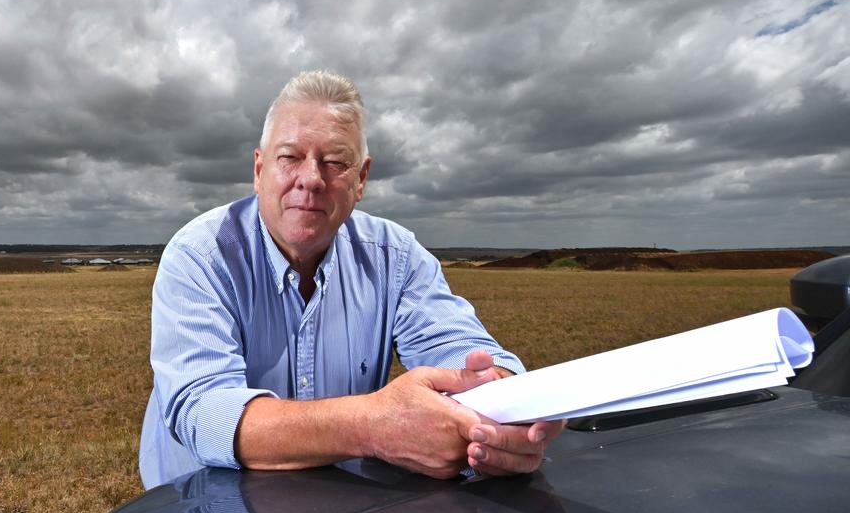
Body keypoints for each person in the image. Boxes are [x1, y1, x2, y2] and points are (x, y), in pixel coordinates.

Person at [138, 70, 563, 489]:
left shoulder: (394, 256)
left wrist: (505, 401)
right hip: (201, 505)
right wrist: (372, 426)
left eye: (335, 162)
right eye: (289, 157)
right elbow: (204, 413)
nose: (311, 179)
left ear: (361, 179)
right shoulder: (201, 254)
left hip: (334, 505)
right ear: (259, 169)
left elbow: (459, 348)